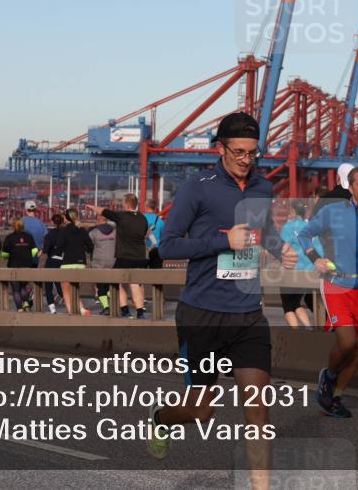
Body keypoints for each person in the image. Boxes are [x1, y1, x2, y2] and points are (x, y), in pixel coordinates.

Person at [151, 111, 286, 486]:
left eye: (252, 153)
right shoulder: (199, 186)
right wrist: (223, 242)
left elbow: (266, 230)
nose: (246, 160)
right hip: (202, 313)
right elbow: (168, 246)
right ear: (221, 148)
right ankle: (161, 419)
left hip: (248, 314)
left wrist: (279, 248)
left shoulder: (262, 188)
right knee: (201, 411)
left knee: (258, 409)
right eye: (239, 152)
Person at [295, 166, 358, 418]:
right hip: (336, 283)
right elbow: (304, 235)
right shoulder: (332, 211)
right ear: (350, 189)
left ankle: (336, 397)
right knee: (347, 341)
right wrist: (315, 258)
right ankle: (328, 375)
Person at [94, 194, 149, 319]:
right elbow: (145, 234)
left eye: (124, 203)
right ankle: (140, 312)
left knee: (119, 283)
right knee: (135, 285)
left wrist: (90, 206)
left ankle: (125, 311)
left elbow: (104, 211)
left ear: (127, 204)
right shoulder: (142, 218)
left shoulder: (121, 216)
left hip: (124, 257)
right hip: (140, 257)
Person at [278, 200, 315, 329]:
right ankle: (308, 327)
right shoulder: (310, 226)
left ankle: (296, 331)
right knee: (296, 303)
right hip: (306, 271)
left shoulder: (289, 227)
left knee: (288, 306)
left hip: (291, 270)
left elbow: (283, 248)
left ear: (293, 211)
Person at [57, 208, 94, 315]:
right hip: (81, 263)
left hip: (67, 263)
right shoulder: (82, 230)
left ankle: (71, 313)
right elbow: (90, 247)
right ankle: (82, 310)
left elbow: (59, 247)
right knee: (75, 291)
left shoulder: (64, 231)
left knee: (66, 292)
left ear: (66, 217)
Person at [2, 218, 39, 311]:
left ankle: (19, 308)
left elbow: (4, 254)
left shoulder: (9, 238)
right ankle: (26, 303)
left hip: (13, 265)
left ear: (13, 226)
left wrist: (8, 256)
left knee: (15, 290)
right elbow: (35, 250)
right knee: (23, 286)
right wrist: (28, 256)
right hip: (26, 265)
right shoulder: (29, 237)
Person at [89, 212, 116, 314]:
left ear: (98, 220)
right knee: (111, 284)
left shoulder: (94, 232)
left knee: (101, 287)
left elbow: (88, 246)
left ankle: (106, 307)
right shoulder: (115, 231)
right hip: (113, 262)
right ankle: (112, 297)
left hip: (98, 263)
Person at [41, 213, 66, 313]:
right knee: (61, 284)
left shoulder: (49, 235)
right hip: (63, 260)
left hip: (52, 261)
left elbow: (46, 249)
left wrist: (41, 251)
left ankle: (52, 308)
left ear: (52, 222)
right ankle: (67, 299)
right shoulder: (65, 233)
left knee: (48, 286)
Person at [144, 201, 166, 268]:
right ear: (155, 208)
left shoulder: (141, 218)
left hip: (144, 250)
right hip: (157, 250)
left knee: (141, 274)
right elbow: (164, 236)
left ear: (146, 207)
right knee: (156, 275)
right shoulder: (160, 221)